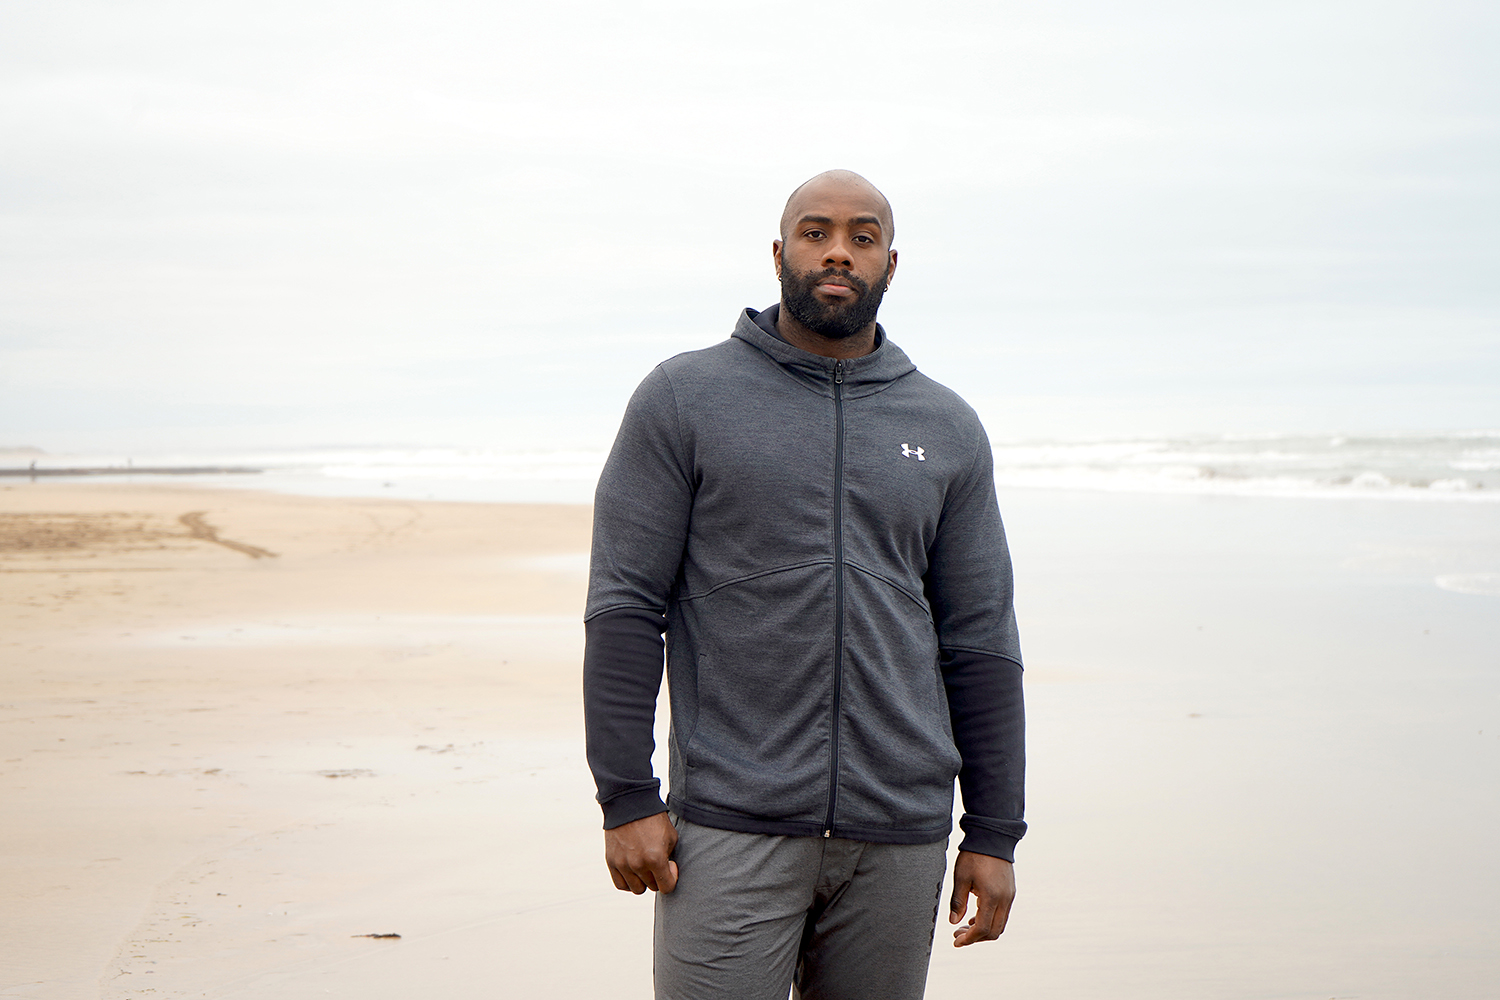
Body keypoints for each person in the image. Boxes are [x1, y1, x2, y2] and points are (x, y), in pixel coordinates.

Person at [583, 169, 1026, 1000]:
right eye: (816, 231)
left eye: (863, 238)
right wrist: (625, 795)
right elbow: (625, 607)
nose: (838, 252)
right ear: (778, 251)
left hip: (898, 837)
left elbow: (982, 640)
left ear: (890, 263)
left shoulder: (946, 426)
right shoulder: (684, 399)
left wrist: (995, 833)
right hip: (731, 824)